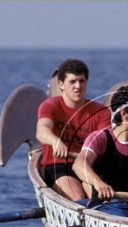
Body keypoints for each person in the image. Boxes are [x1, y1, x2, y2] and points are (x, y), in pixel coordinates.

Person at [72, 85, 128, 206]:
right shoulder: (100, 138)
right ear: (124, 114)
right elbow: (78, 164)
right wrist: (98, 183)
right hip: (103, 203)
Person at [36, 59, 111, 200]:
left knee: (98, 198)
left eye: (82, 81)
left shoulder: (101, 112)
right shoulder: (50, 106)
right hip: (58, 166)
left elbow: (105, 147)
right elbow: (42, 130)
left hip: (88, 166)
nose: (78, 86)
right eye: (72, 82)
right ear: (61, 85)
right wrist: (54, 140)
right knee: (78, 198)